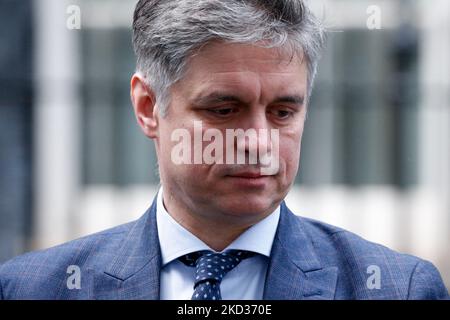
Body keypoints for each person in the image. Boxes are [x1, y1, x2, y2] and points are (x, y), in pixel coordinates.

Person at [0, 0, 448, 300]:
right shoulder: (33, 289)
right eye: (224, 109)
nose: (257, 142)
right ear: (148, 107)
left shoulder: (396, 289)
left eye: (282, 112)